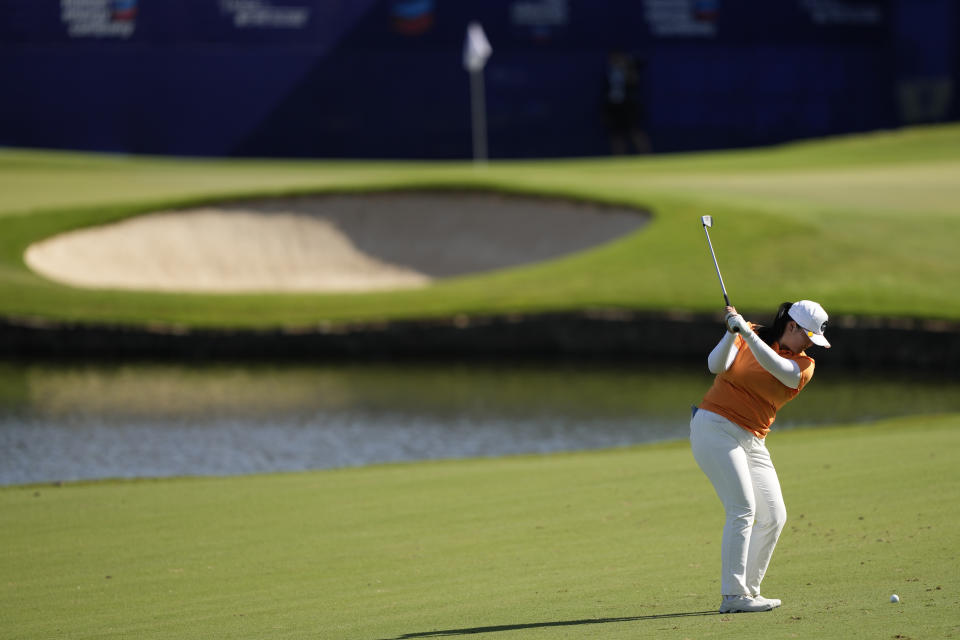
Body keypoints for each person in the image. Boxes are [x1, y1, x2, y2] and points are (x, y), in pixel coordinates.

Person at [689, 300, 831, 613]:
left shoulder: (804, 366)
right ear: (791, 326)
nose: (810, 344)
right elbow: (715, 365)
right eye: (807, 336)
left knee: (774, 515)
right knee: (743, 508)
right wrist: (732, 333)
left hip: (753, 439)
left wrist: (747, 335)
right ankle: (733, 596)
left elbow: (777, 369)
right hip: (714, 427)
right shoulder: (747, 331)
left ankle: (747, 592)